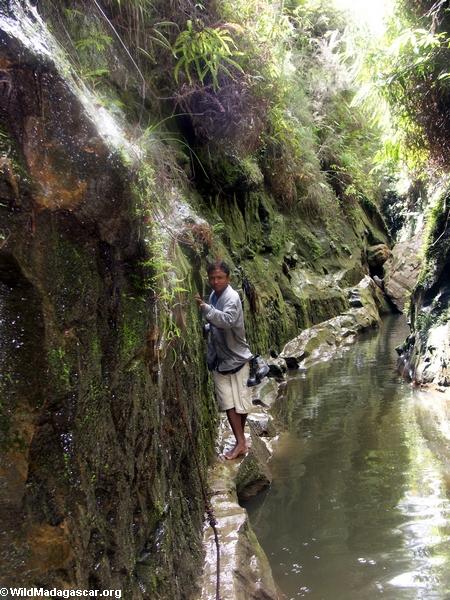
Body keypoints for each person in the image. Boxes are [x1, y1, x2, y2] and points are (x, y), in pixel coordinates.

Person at [195, 260, 253, 460]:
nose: (215, 281)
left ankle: (240, 441)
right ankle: (240, 442)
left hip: (238, 358)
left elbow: (227, 321)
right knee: (228, 403)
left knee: (242, 404)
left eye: (219, 277)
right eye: (212, 278)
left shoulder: (232, 297)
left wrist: (205, 309)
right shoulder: (213, 295)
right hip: (219, 360)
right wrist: (206, 327)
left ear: (228, 279)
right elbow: (214, 323)